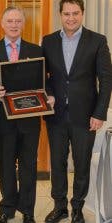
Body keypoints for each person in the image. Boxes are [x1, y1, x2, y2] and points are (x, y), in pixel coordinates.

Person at [42, 0, 112, 222]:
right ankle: (60, 206)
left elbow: (106, 80)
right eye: (66, 14)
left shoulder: (98, 41)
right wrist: (49, 94)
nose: (70, 18)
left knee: (82, 163)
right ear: (59, 15)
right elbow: (43, 76)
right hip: (56, 115)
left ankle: (78, 207)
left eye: (75, 13)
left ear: (83, 14)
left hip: (86, 116)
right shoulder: (48, 41)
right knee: (58, 162)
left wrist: (100, 113)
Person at [0, 6, 44, 223]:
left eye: (18, 21)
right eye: (10, 21)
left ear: (23, 24)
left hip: (30, 118)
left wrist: (48, 97)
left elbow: (43, 83)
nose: (14, 24)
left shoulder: (36, 50)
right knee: (6, 165)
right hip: (3, 119)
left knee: (29, 165)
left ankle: (28, 210)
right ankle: (7, 208)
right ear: (2, 24)